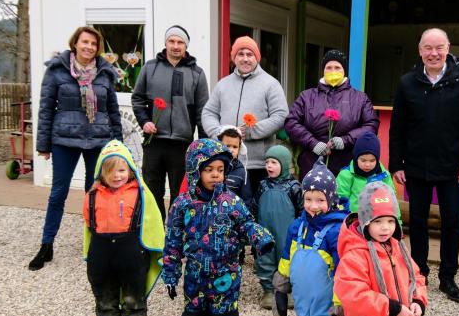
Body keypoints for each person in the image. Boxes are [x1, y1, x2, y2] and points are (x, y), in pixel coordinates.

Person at [161, 139, 274, 316]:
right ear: (195, 170)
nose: (215, 175)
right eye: (209, 169)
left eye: (220, 170)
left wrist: (261, 239)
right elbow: (173, 243)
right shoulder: (182, 205)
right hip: (195, 278)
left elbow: (246, 224)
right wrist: (170, 273)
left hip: (226, 278)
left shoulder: (231, 202)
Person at [388, 27, 459, 303]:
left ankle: (448, 277)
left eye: (438, 47)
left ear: (448, 48)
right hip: (416, 166)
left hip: (454, 168)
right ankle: (420, 273)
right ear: (420, 51)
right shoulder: (407, 83)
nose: (433, 53)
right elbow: (398, 128)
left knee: (452, 222)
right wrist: (397, 164)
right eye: (428, 48)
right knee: (417, 222)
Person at [30, 26, 122, 270]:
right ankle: (46, 244)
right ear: (75, 43)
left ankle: (96, 243)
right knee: (58, 193)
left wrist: (118, 145)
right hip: (64, 140)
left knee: (95, 194)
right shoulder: (57, 70)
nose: (89, 47)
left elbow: (113, 111)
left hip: (98, 140)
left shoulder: (105, 73)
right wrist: (43, 144)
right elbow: (46, 108)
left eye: (93, 43)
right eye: (85, 42)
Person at [334, 182, 428, 316]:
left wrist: (418, 301)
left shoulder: (397, 247)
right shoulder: (356, 254)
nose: (385, 228)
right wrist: (392, 309)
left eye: (390, 221)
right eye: (378, 222)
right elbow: (352, 294)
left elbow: (417, 278)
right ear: (366, 221)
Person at [271, 158, 349, 316]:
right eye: (308, 199)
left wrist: (340, 306)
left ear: (331, 200)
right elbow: (286, 257)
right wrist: (280, 287)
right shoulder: (297, 227)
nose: (313, 206)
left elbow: (343, 271)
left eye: (320, 200)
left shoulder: (337, 231)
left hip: (327, 310)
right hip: (304, 305)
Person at [82, 140, 164, 316]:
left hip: (131, 251)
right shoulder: (92, 196)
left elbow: (152, 221)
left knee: (133, 291)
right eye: (111, 171)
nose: (117, 175)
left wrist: (157, 248)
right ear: (102, 173)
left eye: (122, 170)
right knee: (104, 292)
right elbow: (88, 226)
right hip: (101, 252)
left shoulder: (141, 194)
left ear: (130, 169)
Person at [131, 25, 210, 221]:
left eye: (180, 42)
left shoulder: (197, 74)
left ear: (186, 46)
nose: (175, 46)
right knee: (152, 190)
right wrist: (144, 121)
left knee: (180, 193)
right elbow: (137, 99)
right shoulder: (150, 68)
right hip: (154, 141)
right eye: (172, 41)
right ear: (165, 43)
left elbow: (202, 111)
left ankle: (175, 234)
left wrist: (203, 145)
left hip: (182, 144)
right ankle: (156, 234)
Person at [202, 36, 289, 189]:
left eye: (250, 54)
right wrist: (221, 133)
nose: (245, 59)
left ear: (257, 58)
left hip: (258, 164)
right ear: (234, 57)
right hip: (225, 161)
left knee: (253, 208)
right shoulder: (223, 84)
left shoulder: (271, 84)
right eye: (240, 54)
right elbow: (208, 112)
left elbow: (281, 115)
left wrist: (251, 131)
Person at [285, 49, 379, 178]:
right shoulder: (307, 96)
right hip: (311, 163)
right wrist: (313, 143)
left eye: (337, 67)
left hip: (346, 166)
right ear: (323, 71)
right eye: (328, 68)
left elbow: (371, 124)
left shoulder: (360, 98)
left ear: (344, 70)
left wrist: (346, 140)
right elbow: (291, 123)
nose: (333, 71)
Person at [252, 144, 303, 310]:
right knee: (265, 257)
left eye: (274, 162)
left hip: (287, 232)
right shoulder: (262, 185)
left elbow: (301, 210)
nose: (269, 166)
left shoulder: (294, 187)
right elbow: (254, 205)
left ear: (284, 163)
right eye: (267, 162)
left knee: (287, 258)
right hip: (264, 230)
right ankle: (268, 290)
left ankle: (286, 291)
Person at [336, 132, 396, 213]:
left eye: (372, 160)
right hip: (353, 220)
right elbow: (340, 200)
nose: (367, 165)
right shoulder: (346, 175)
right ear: (356, 158)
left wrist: (397, 221)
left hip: (377, 220)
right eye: (363, 160)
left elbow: (392, 200)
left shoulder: (384, 175)